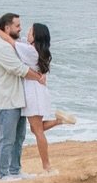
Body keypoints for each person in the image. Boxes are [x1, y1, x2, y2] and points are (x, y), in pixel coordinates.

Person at [0, 12, 43, 180]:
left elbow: (28, 48)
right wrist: (39, 77)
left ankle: (15, 170)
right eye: (17, 26)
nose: (20, 28)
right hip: (8, 100)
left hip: (19, 100)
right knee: (7, 139)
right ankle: (3, 174)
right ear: (7, 28)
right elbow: (19, 69)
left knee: (19, 138)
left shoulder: (14, 43)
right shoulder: (2, 48)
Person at [19, 21, 76, 170]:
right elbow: (18, 40)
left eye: (30, 31)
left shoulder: (30, 50)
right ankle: (59, 120)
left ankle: (47, 166)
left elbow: (12, 42)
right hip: (38, 92)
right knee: (36, 129)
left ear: (35, 36)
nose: (27, 33)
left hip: (33, 93)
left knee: (37, 131)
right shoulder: (40, 51)